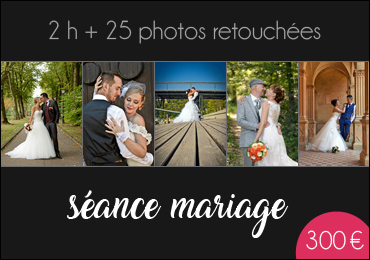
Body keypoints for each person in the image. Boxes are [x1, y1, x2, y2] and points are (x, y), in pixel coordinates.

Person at [83, 71, 153, 166]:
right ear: (105, 86)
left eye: (136, 102)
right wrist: (149, 159)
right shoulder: (116, 113)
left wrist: (96, 95)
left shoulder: (85, 110)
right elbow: (126, 152)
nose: (130, 104)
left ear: (141, 104)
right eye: (128, 99)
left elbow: (96, 113)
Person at [237, 78, 281, 166]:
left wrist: (278, 125)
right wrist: (256, 126)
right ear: (255, 87)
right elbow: (240, 121)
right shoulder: (243, 101)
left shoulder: (266, 102)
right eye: (263, 87)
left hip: (265, 139)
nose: (264, 89)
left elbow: (272, 117)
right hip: (248, 140)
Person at [253, 85, 298, 166]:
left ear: (274, 94)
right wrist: (279, 125)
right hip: (276, 135)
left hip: (267, 134)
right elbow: (274, 121)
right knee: (276, 159)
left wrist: (255, 141)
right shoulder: (277, 105)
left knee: (268, 160)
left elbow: (263, 124)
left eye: (270, 89)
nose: (267, 89)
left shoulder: (266, 103)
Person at [40, 92, 62, 158]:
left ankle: (57, 153)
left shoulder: (53, 102)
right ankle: (50, 153)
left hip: (52, 123)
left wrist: (55, 121)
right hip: (46, 124)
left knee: (54, 138)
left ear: (45, 97)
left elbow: (57, 112)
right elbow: (42, 114)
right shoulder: (43, 105)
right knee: (48, 138)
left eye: (41, 98)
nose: (41, 99)